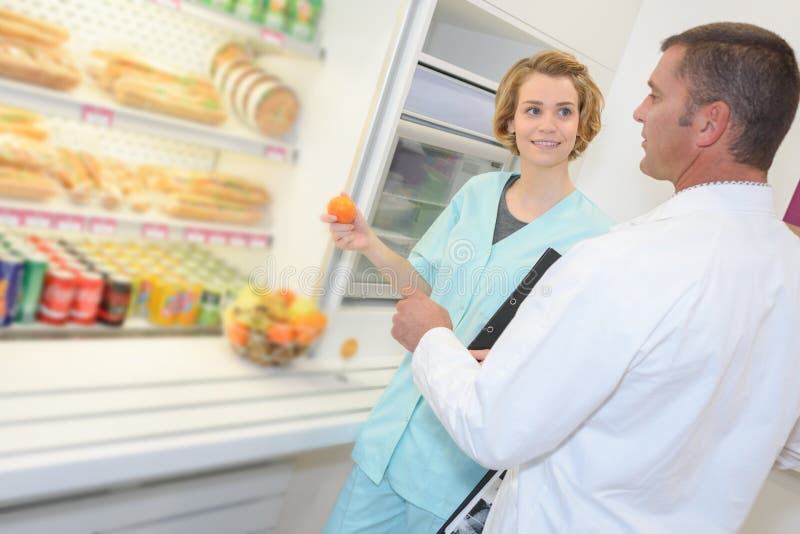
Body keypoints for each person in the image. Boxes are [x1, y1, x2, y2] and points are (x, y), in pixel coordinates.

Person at [391, 22, 800, 533]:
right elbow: (779, 436)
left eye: (655, 94)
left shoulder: (622, 258)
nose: (638, 111)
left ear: (708, 123)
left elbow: (492, 428)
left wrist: (431, 336)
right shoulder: (790, 267)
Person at [320, 50, 614, 533]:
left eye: (565, 111)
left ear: (582, 125)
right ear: (511, 119)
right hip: (391, 441)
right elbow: (424, 291)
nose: (548, 125)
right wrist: (368, 244)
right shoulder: (477, 193)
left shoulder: (596, 238)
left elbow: (570, 364)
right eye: (533, 109)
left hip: (458, 471)